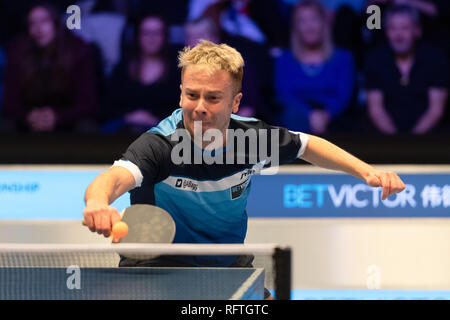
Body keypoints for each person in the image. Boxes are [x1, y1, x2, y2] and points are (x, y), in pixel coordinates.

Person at [82, 40, 405, 299]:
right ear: (181, 93)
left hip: (225, 264)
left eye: (213, 98)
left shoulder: (252, 140)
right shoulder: (160, 145)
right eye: (192, 95)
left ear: (235, 103)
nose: (200, 108)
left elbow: (308, 145)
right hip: (156, 267)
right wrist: (98, 203)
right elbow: (114, 178)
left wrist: (367, 173)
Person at [3, 3, 98, 132]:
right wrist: (28, 116)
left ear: (55, 22)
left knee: (87, 127)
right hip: (29, 120)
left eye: (44, 21)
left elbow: (87, 103)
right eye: (32, 23)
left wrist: (57, 116)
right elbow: (10, 102)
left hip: (69, 121)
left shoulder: (78, 51)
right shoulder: (18, 52)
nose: (38, 28)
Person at [365, 4, 448, 134]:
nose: (398, 35)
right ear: (386, 32)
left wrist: (412, 143)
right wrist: (396, 144)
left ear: (417, 30)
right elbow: (376, 110)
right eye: (393, 28)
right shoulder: (376, 60)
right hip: (384, 140)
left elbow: (436, 110)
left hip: (429, 140)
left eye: (405, 28)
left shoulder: (435, 59)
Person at [274, 0, 356, 134]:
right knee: (291, 116)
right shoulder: (285, 59)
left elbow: (343, 97)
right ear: (295, 27)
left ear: (324, 23)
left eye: (314, 19)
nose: (309, 27)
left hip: (334, 119)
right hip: (295, 121)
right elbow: (284, 95)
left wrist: (327, 114)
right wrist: (310, 114)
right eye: (302, 21)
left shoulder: (343, 58)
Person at [101, 13, 179, 133]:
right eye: (146, 33)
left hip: (164, 131)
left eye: (157, 33)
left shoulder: (176, 71)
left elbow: (182, 108)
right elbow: (108, 105)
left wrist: (154, 120)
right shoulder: (122, 68)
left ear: (165, 36)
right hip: (123, 128)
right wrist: (129, 117)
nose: (151, 38)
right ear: (138, 36)